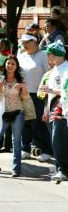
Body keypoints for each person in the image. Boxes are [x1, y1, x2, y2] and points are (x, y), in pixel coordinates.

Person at [0, 55, 29, 177]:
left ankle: (16, 169)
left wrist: (23, 87)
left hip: (18, 112)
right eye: (8, 63)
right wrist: (0, 88)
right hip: (2, 113)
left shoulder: (20, 79)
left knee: (16, 141)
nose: (10, 66)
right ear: (5, 65)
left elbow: (25, 97)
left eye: (13, 64)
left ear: (16, 66)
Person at [18, 32, 53, 162]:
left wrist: (46, 92)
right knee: (25, 122)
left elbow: (49, 74)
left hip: (38, 94)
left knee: (39, 123)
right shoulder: (21, 55)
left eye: (27, 42)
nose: (24, 45)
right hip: (23, 93)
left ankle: (46, 150)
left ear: (35, 41)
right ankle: (25, 148)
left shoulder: (43, 55)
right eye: (23, 42)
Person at [39, 41, 68, 181]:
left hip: (62, 107)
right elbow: (48, 93)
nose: (48, 57)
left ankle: (63, 169)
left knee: (59, 139)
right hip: (52, 106)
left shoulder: (66, 68)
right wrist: (46, 109)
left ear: (57, 55)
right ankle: (59, 168)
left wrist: (50, 91)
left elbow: (65, 91)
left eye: (50, 54)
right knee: (55, 139)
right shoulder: (55, 69)